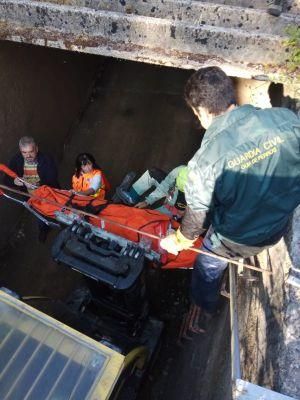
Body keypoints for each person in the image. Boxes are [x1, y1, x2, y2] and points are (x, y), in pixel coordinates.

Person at [161, 66, 300, 326]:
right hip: (280, 221)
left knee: (207, 264)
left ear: (200, 111)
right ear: (231, 95)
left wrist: (178, 241)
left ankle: (204, 306)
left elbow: (194, 224)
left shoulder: (203, 164)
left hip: (241, 239)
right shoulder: (285, 120)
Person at [5, 136, 59, 242]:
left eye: (31, 151)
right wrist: (14, 182)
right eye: (24, 152)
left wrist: (36, 185)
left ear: (36, 149)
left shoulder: (46, 159)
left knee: (58, 212)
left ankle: (62, 227)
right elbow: (6, 181)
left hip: (50, 195)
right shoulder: (16, 161)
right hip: (31, 198)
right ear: (20, 151)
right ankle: (44, 229)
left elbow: (52, 178)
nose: (28, 155)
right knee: (40, 216)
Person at [116, 166, 188, 218]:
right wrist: (147, 201)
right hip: (172, 194)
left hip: (178, 208)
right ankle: (130, 198)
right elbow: (165, 186)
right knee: (153, 173)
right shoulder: (181, 170)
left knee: (147, 220)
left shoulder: (197, 196)